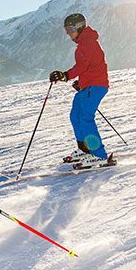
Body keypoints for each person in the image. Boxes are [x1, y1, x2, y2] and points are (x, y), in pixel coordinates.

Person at [48, 13, 114, 167]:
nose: (68, 33)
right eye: (66, 30)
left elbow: (82, 66)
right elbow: (89, 67)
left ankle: (98, 155)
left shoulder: (88, 43)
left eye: (70, 29)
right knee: (75, 116)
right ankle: (84, 149)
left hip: (96, 86)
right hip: (88, 85)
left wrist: (65, 75)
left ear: (79, 27)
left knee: (85, 118)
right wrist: (81, 82)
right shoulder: (84, 43)